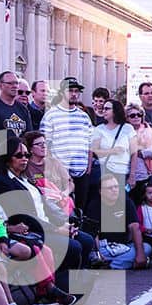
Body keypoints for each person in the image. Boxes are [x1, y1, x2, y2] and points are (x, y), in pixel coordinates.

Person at [0, 137, 91, 296]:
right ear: (7, 159)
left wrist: (64, 224)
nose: (24, 159)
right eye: (19, 155)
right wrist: (56, 229)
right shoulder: (3, 182)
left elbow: (45, 207)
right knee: (72, 246)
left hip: (48, 225)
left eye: (26, 155)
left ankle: (76, 283)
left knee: (86, 240)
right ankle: (59, 290)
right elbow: (23, 216)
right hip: (29, 230)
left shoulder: (25, 179)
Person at [40, 77, 95, 213]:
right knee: (62, 208)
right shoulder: (51, 115)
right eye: (70, 90)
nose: (74, 94)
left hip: (82, 172)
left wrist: (88, 166)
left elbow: (90, 143)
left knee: (80, 208)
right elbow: (45, 143)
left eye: (77, 91)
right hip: (60, 173)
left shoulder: (84, 116)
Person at [88, 174, 150, 269]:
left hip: (124, 246)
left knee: (146, 248)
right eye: (110, 188)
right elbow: (94, 235)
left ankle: (111, 266)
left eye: (116, 187)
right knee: (92, 255)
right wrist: (99, 254)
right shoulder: (94, 205)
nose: (114, 190)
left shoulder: (127, 202)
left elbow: (135, 227)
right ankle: (128, 263)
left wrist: (140, 254)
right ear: (101, 191)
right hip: (105, 248)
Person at [0, 70, 32, 159]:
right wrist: (0, 163)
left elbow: (29, 137)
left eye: (16, 83)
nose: (15, 86)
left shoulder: (23, 109)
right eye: (10, 83)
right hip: (0, 160)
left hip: (20, 160)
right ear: (0, 85)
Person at [92, 99, 136, 194]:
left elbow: (134, 152)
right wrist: (112, 151)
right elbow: (94, 151)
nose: (104, 111)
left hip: (123, 172)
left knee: (122, 202)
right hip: (106, 171)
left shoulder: (128, 128)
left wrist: (132, 175)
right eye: (103, 109)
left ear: (116, 110)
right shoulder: (99, 129)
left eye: (107, 108)